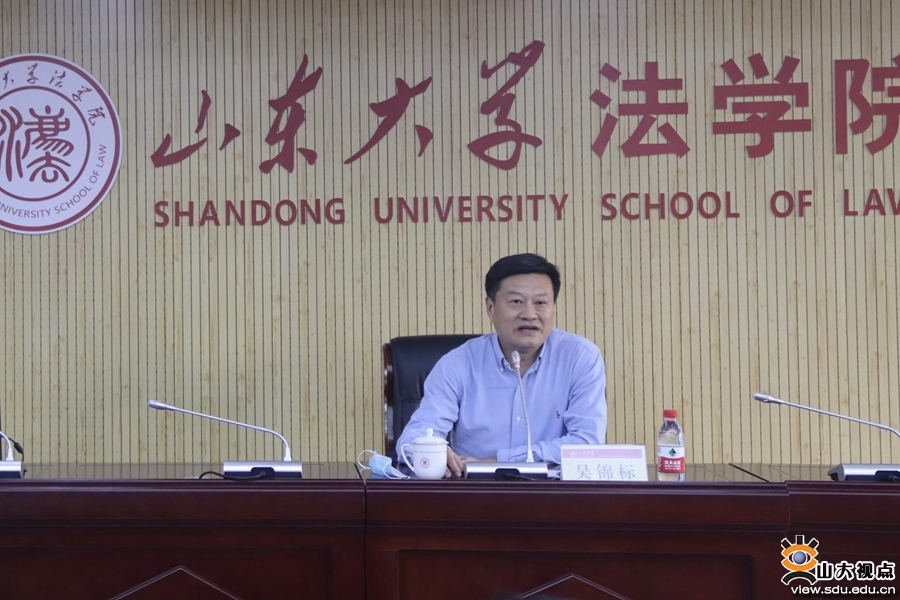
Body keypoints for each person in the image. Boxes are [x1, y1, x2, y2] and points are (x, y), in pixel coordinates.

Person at [396, 253, 607, 478]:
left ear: (553, 307)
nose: (529, 314)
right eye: (516, 302)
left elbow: (587, 445)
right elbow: (411, 442)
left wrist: (497, 461)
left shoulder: (580, 358)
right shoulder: (457, 364)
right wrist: (433, 452)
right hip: (474, 491)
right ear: (490, 307)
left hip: (554, 493)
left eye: (540, 303)